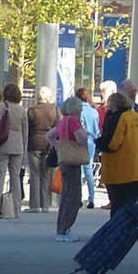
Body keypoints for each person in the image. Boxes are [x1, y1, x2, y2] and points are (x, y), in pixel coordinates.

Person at [97, 85, 138, 220]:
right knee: (134, 205)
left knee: (119, 207)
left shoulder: (119, 118)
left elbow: (113, 143)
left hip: (122, 171)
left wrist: (98, 142)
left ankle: (118, 233)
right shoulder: (136, 116)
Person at [49, 103, 90, 241]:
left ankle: (61, 228)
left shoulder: (63, 121)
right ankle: (65, 230)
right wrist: (86, 134)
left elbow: (49, 136)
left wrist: (58, 146)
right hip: (73, 161)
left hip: (64, 159)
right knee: (74, 196)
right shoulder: (73, 120)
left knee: (66, 195)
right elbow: (81, 138)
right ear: (75, 109)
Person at [0, 84, 26, 219]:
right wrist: (24, 150)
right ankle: (16, 210)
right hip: (18, 146)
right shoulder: (22, 110)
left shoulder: (1, 107)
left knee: (0, 177)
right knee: (15, 178)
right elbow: (25, 132)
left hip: (3, 144)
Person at [77, 86, 102, 206]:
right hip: (91, 141)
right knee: (89, 170)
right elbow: (97, 130)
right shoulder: (94, 111)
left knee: (79, 170)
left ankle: (80, 198)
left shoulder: (78, 111)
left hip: (81, 141)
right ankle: (91, 198)